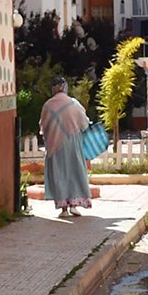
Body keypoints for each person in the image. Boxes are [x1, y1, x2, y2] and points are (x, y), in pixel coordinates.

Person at [39, 76, 92, 219]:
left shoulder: (48, 105)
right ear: (64, 87)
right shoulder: (73, 103)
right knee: (74, 171)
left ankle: (63, 208)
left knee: (59, 174)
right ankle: (74, 205)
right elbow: (84, 123)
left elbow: (43, 126)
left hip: (54, 144)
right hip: (73, 143)